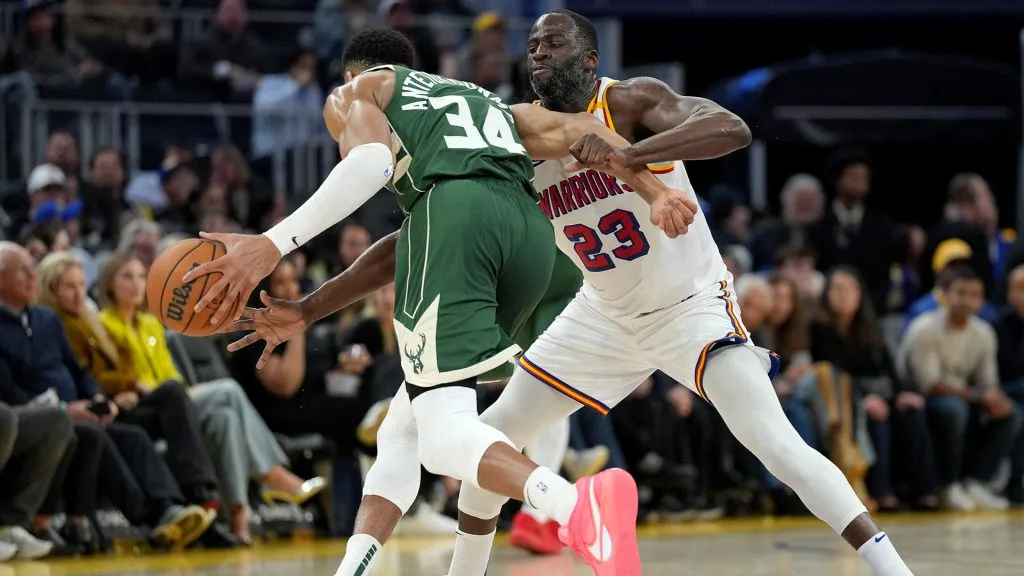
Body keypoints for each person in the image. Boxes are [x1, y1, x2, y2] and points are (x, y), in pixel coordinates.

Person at [233, 12, 915, 576]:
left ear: (587, 58)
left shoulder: (629, 100)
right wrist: (312, 306)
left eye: (551, 43)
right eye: (530, 47)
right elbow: (414, 239)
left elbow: (731, 129)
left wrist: (632, 158)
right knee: (488, 440)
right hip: (602, 316)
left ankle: (890, 566)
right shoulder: (516, 132)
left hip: (689, 307)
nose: (537, 54)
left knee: (776, 444)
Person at [182, 27, 694, 575]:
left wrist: (271, 243)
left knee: (443, 437)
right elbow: (586, 130)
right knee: (402, 426)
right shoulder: (483, 103)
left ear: (356, 74)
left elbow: (368, 167)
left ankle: (572, 506)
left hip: (456, 225)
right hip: (529, 237)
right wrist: (659, 191)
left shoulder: (361, 91)